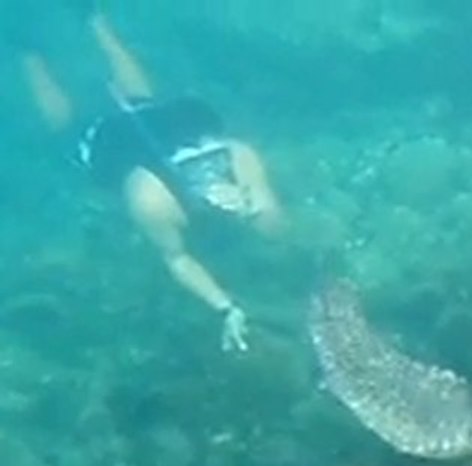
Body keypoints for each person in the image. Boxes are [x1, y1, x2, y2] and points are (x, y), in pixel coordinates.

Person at [12, 3, 285, 352]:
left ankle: (94, 21)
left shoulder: (239, 157)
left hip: (174, 126)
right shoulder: (153, 199)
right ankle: (32, 54)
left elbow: (277, 226)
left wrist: (251, 206)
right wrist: (225, 307)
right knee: (68, 132)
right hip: (115, 143)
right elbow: (176, 258)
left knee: (144, 104)